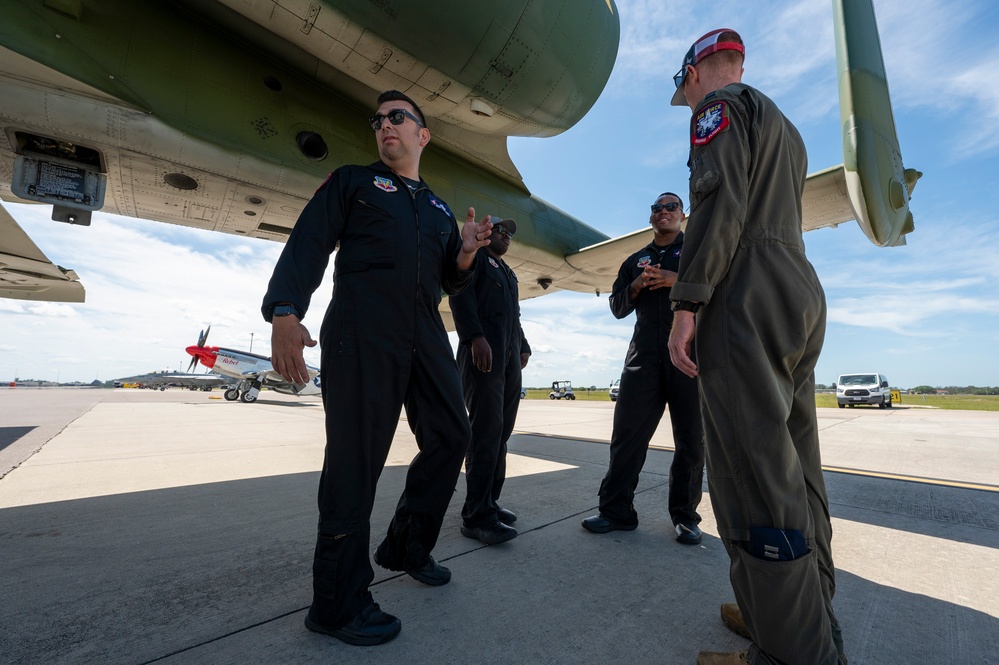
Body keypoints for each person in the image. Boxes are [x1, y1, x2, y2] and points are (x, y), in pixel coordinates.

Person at [261, 90, 494, 647]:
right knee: (355, 462)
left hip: (424, 333)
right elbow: (309, 242)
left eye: (397, 117)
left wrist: (464, 253)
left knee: (453, 434)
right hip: (362, 332)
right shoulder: (354, 182)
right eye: (379, 119)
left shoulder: (438, 209)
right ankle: (336, 604)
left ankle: (408, 545)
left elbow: (451, 282)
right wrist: (286, 311)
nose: (385, 125)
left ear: (422, 135)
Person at [666, 29, 845, 665]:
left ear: (695, 73)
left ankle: (791, 652)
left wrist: (687, 302)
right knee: (798, 468)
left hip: (743, 294)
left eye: (683, 91)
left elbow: (719, 208)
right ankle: (801, 611)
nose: (688, 104)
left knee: (751, 480)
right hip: (796, 289)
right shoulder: (785, 125)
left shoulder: (720, 110)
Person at [580, 192, 705, 546]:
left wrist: (674, 281)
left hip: (688, 359)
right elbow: (617, 307)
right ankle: (615, 511)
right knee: (627, 438)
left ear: (683, 214)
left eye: (671, 207)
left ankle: (685, 517)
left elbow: (718, 292)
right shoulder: (636, 260)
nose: (663, 212)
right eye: (657, 208)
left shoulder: (697, 253)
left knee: (691, 441)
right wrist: (636, 285)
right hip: (642, 361)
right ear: (651, 218)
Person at [449, 217, 531, 545]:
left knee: (501, 434)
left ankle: (490, 502)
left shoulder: (508, 273)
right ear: (488, 232)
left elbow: (514, 316)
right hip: (481, 356)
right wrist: (473, 338)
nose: (507, 236)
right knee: (485, 433)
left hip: (508, 360)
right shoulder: (475, 260)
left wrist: (522, 346)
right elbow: (460, 297)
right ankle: (475, 516)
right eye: (502, 230)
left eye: (510, 233)